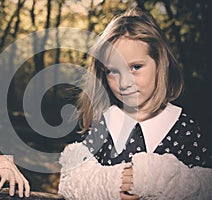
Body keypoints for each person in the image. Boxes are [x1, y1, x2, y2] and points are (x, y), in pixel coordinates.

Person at [58, 7, 212, 200]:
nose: (124, 83)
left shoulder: (184, 128)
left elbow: (205, 186)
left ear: (160, 64)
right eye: (113, 71)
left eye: (135, 67)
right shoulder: (104, 125)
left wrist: (159, 179)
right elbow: (73, 179)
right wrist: (109, 185)